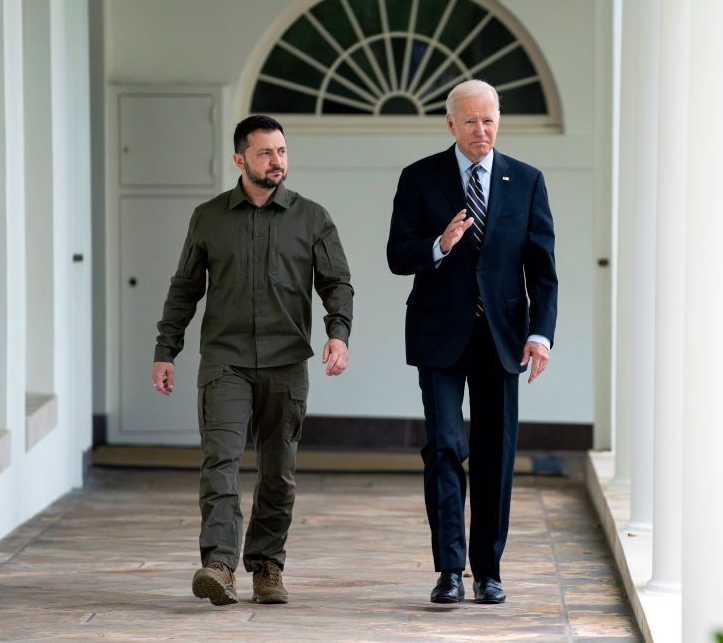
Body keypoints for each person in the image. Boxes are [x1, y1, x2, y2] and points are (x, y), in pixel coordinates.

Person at [150, 115, 354, 606]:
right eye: (265, 153)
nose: (276, 161)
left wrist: (338, 334)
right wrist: (166, 350)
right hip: (225, 360)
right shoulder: (209, 217)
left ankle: (267, 565)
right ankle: (219, 565)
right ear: (240, 159)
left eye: (282, 151)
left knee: (277, 471)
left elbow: (336, 283)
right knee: (219, 461)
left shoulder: (313, 217)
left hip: (286, 361)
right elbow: (184, 289)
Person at [387, 79, 558, 605]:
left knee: (494, 454)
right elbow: (397, 255)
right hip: (440, 335)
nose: (481, 130)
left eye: (489, 120)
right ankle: (449, 571)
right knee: (444, 447)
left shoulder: (526, 180)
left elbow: (543, 271)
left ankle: (488, 569)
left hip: (502, 339)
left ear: (498, 119)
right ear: (450, 124)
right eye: (470, 121)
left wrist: (539, 335)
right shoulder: (419, 178)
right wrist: (438, 245)